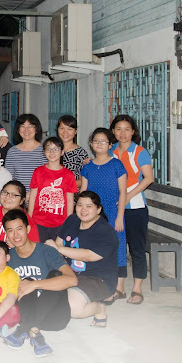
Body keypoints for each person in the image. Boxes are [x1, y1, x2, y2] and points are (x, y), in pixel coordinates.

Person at [2, 210, 77, 357]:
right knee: (26, 282)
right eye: (10, 231)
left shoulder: (46, 251)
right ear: (6, 234)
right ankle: (34, 332)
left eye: (19, 229)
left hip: (55, 318)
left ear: (28, 229)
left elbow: (72, 279)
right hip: (27, 313)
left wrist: (36, 285)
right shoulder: (8, 258)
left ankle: (25, 328)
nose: (16, 235)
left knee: (54, 276)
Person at [47, 191, 119, 328]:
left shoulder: (106, 231)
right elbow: (59, 243)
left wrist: (58, 249)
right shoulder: (72, 220)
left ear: (98, 209)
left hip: (98, 278)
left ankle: (100, 308)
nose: (83, 210)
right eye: (80, 205)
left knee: (73, 308)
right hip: (69, 272)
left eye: (89, 206)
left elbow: (88, 256)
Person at [110, 114, 154, 305]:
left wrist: (127, 196)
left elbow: (148, 178)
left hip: (135, 206)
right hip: (114, 207)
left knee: (137, 247)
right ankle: (119, 287)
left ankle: (137, 288)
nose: (123, 133)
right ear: (113, 131)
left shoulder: (139, 152)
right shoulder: (110, 150)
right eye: (119, 129)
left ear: (133, 131)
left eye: (127, 129)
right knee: (118, 246)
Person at [81, 128, 127, 302]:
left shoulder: (117, 165)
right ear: (91, 144)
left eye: (103, 141)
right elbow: (83, 192)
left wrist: (120, 216)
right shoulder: (87, 167)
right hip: (93, 214)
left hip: (113, 213)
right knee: (94, 246)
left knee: (118, 246)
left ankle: (119, 287)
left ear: (110, 145)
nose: (99, 144)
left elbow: (123, 192)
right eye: (96, 141)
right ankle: (98, 282)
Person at [0, 180, 40, 267]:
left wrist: (16, 246)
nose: (7, 197)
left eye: (13, 195)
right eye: (5, 192)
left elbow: (32, 253)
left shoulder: (27, 222)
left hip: (15, 267)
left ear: (22, 200)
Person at [28, 137, 78, 242]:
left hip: (60, 223)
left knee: (57, 250)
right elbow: (32, 197)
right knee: (39, 249)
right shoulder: (38, 172)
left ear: (62, 152)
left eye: (56, 149)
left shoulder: (68, 174)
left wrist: (68, 223)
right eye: (48, 149)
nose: (52, 152)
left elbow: (70, 201)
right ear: (44, 152)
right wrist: (29, 219)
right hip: (39, 222)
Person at [4, 114, 47, 194]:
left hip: (39, 195)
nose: (26, 130)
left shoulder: (44, 150)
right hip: (18, 196)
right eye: (23, 126)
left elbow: (46, 178)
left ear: (36, 129)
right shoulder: (12, 152)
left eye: (30, 126)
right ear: (18, 129)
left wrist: (31, 194)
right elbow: (9, 179)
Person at [57, 115, 88, 188]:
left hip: (72, 193)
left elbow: (83, 181)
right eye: (62, 128)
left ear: (75, 131)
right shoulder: (52, 150)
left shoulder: (81, 153)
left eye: (69, 129)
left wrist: (61, 186)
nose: (65, 132)